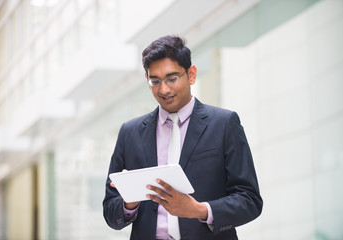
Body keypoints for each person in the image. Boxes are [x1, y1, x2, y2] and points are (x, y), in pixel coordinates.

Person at [103, 35, 263, 240]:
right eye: (155, 81)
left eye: (172, 78)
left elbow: (250, 201)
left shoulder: (224, 124)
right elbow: (110, 211)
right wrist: (129, 203)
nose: (164, 89)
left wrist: (200, 210)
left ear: (192, 74)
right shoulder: (130, 132)